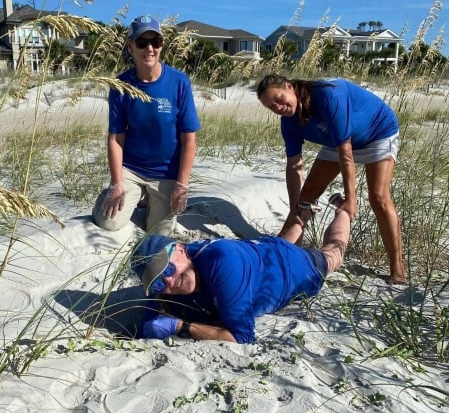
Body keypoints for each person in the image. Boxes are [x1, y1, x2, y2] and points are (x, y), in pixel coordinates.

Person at [131, 194, 350, 343]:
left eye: (168, 270)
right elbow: (151, 307)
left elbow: (242, 337)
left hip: (296, 268)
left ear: (180, 249)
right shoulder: (173, 271)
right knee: (281, 241)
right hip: (264, 249)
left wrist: (181, 327)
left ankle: (344, 210)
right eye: (159, 282)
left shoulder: (221, 264)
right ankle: (302, 219)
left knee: (332, 254)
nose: (169, 281)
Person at [256, 74, 405, 284]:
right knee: (303, 200)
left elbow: (346, 153)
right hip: (335, 141)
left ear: (290, 87)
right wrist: (294, 209)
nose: (279, 107)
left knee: (378, 198)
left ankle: (397, 267)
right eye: (272, 107)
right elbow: (293, 166)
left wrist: (351, 200)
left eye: (279, 99)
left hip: (377, 133)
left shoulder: (328, 95)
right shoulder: (289, 122)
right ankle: (284, 252)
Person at [92, 15, 201, 235]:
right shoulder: (120, 86)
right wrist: (116, 183)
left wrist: (182, 184)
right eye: (142, 42)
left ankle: (149, 199)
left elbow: (189, 138)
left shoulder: (179, 82)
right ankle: (125, 195)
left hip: (166, 174)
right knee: (108, 222)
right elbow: (115, 138)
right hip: (132, 170)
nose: (149, 48)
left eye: (156, 42)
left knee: (157, 235)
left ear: (161, 46)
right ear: (130, 46)